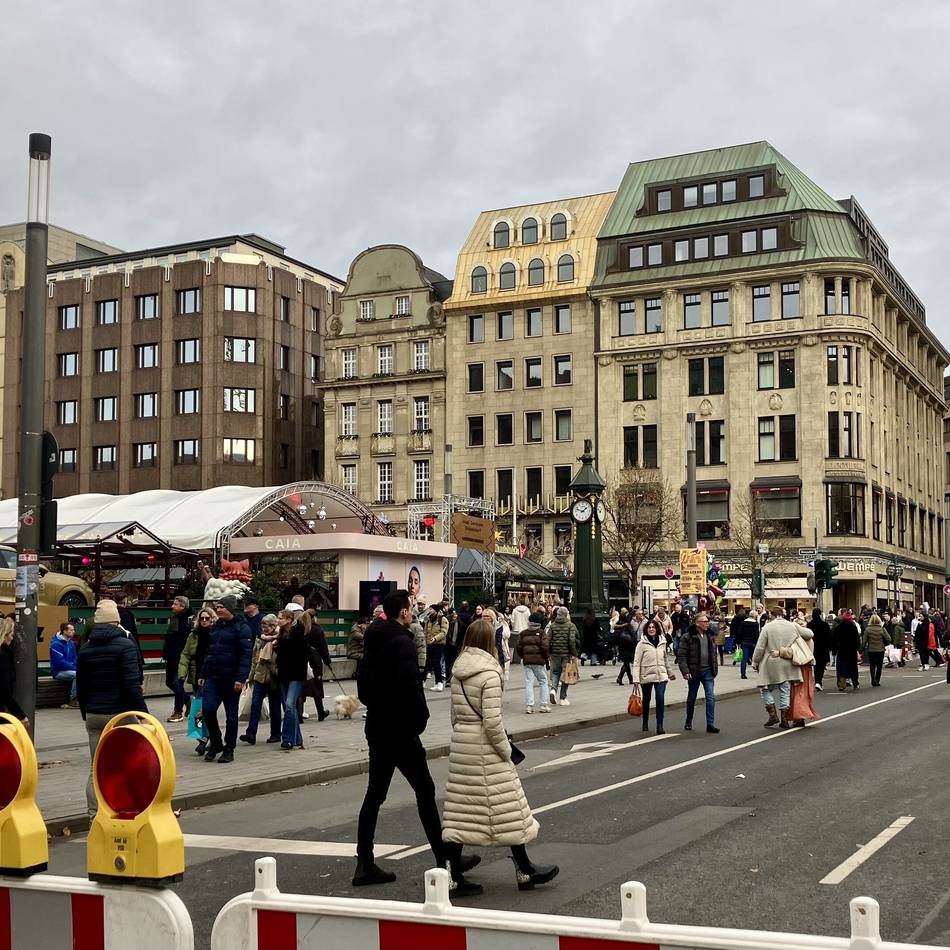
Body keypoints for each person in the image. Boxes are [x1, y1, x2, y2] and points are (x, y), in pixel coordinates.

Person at [353, 589, 478, 887]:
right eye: (410, 608)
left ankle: (364, 862)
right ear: (405, 612)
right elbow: (411, 689)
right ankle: (445, 860)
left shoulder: (372, 640)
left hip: (378, 727)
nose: (412, 612)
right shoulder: (402, 642)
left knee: (375, 794)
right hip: (402, 730)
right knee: (425, 791)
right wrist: (419, 720)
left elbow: (363, 689)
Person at [442, 618, 558, 895]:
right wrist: (505, 751)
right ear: (489, 642)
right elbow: (493, 723)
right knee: (511, 809)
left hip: (462, 747)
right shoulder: (490, 674)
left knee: (459, 813)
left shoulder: (458, 672)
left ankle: (453, 876)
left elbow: (454, 716)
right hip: (486, 748)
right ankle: (524, 870)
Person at [76, 599, 147, 817]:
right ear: (116, 621)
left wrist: (87, 714)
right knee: (132, 764)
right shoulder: (126, 646)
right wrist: (143, 715)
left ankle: (94, 816)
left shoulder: (86, 649)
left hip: (95, 715)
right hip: (121, 714)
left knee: (96, 768)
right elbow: (131, 685)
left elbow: (81, 687)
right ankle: (128, 809)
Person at [198, 596, 252, 764]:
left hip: (231, 679)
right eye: (217, 607)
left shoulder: (241, 628)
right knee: (207, 710)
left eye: (221, 607)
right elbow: (210, 652)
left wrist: (240, 678)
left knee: (231, 717)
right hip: (213, 677)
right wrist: (203, 674)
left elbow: (246, 656)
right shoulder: (215, 628)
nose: (218, 610)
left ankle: (229, 748)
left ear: (229, 608)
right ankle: (216, 742)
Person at [751, 609, 803, 729]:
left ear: (771, 615)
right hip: (788, 662)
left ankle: (773, 714)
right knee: (785, 690)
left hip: (771, 662)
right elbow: (808, 635)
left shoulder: (768, 627)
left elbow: (760, 647)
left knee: (765, 688)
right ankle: (784, 719)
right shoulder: (792, 626)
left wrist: (755, 661)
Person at [240, 613, 282, 745]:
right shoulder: (260, 639)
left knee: (275, 707)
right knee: (255, 704)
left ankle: (275, 734)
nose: (264, 629)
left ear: (274, 626)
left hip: (274, 677)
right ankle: (250, 734)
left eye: (267, 627)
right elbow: (254, 659)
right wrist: (250, 677)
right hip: (260, 676)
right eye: (262, 627)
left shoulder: (279, 640)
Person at [179, 606, 215, 755]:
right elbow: (185, 654)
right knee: (198, 709)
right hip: (197, 675)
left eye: (208, 618)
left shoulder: (216, 634)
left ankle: (208, 737)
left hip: (212, 676)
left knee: (207, 709)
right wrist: (182, 673)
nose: (205, 621)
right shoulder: (194, 635)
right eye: (202, 618)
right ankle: (201, 736)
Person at [631, 618, 676, 734]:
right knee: (646, 700)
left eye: (653, 627)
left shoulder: (662, 642)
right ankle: (645, 722)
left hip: (661, 675)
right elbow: (636, 662)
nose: (651, 629)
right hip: (646, 676)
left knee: (660, 698)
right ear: (646, 630)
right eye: (649, 627)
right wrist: (635, 679)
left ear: (657, 629)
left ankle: (660, 725)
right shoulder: (641, 644)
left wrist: (670, 673)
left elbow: (665, 659)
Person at [677, 612, 720, 733]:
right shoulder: (687, 637)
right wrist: (685, 671)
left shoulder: (710, 635)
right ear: (697, 623)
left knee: (710, 697)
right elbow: (682, 656)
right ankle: (689, 720)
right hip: (694, 671)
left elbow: (713, 654)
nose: (707, 624)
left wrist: (714, 668)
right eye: (705, 622)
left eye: (708, 621)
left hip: (708, 671)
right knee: (692, 697)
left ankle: (710, 724)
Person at [275, 608, 309, 751]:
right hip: (284, 675)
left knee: (289, 705)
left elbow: (301, 652)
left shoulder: (297, 632)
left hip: (296, 674)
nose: (278, 620)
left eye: (280, 618)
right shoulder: (282, 633)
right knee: (290, 708)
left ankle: (287, 738)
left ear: (289, 619)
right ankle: (297, 739)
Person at [163, 595, 193, 723]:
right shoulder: (174, 618)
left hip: (182, 656)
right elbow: (170, 637)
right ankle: (186, 699)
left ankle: (178, 711)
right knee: (169, 681)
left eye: (175, 604)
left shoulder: (188, 620)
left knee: (177, 682)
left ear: (182, 606)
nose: (172, 606)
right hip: (172, 655)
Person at [788, 617, 820, 727]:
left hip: (798, 667)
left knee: (797, 692)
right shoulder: (810, 639)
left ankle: (798, 716)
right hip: (808, 667)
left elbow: (791, 654)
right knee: (805, 692)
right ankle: (803, 713)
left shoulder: (796, 640)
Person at [516, 612, 550, 714]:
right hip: (539, 662)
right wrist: (546, 657)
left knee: (529, 683)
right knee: (543, 681)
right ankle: (543, 705)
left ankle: (529, 706)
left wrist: (524, 656)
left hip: (527, 661)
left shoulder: (523, 633)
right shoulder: (542, 633)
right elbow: (545, 647)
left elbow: (519, 647)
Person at [547, 606, 578, 706]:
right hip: (566, 654)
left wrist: (549, 652)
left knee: (556, 672)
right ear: (565, 614)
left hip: (555, 653)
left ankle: (553, 690)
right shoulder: (571, 626)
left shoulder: (552, 626)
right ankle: (563, 698)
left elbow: (548, 640)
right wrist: (574, 653)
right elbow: (572, 641)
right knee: (566, 675)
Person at [0, 618, 28, 728]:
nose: (12, 638)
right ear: (4, 634)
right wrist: (20, 715)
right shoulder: (2, 656)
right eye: (11, 634)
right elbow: (3, 690)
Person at [50, 621, 79, 708]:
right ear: (64, 631)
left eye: (73, 630)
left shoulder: (71, 643)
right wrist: (75, 668)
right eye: (71, 630)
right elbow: (59, 662)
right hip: (58, 671)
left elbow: (75, 658)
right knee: (77, 675)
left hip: (70, 670)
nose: (73, 632)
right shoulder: (55, 644)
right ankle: (73, 700)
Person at [833, 609, 862, 691]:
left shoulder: (839, 627)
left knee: (841, 667)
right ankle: (855, 683)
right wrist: (857, 648)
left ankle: (841, 684)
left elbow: (835, 639)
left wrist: (835, 649)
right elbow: (857, 639)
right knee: (853, 667)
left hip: (842, 650)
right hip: (851, 650)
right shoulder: (853, 627)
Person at [861, 613, 891, 687]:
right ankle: (877, 680)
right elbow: (889, 639)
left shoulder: (867, 630)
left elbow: (864, 641)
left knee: (872, 665)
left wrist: (860, 650)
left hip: (871, 650)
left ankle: (873, 679)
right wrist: (885, 643)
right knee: (879, 665)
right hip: (880, 649)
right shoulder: (882, 629)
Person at [807, 607, 833, 691]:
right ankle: (818, 681)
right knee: (821, 665)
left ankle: (817, 681)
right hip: (823, 648)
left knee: (815, 665)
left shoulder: (810, 624)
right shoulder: (824, 625)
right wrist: (830, 647)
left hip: (813, 647)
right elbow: (829, 636)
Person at [732, 607, 760, 680]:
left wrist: (738, 642)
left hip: (744, 642)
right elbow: (757, 634)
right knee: (756, 658)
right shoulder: (755, 624)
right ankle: (759, 672)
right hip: (753, 642)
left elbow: (739, 633)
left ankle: (743, 673)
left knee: (744, 659)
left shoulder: (743, 623)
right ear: (754, 616)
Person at [425, 607, 448, 691]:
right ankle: (428, 682)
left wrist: (435, 638)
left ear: (436, 610)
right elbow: (426, 632)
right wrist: (425, 642)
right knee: (427, 662)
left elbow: (444, 632)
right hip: (429, 644)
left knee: (436, 661)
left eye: (431, 609)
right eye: (429, 609)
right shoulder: (428, 620)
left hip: (439, 644)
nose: (429, 611)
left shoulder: (442, 619)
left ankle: (439, 683)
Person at [615, 612, 636, 686]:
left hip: (621, 646)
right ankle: (619, 677)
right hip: (628, 646)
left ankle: (630, 679)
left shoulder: (617, 625)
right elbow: (633, 636)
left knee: (626, 663)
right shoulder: (628, 625)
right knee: (626, 663)